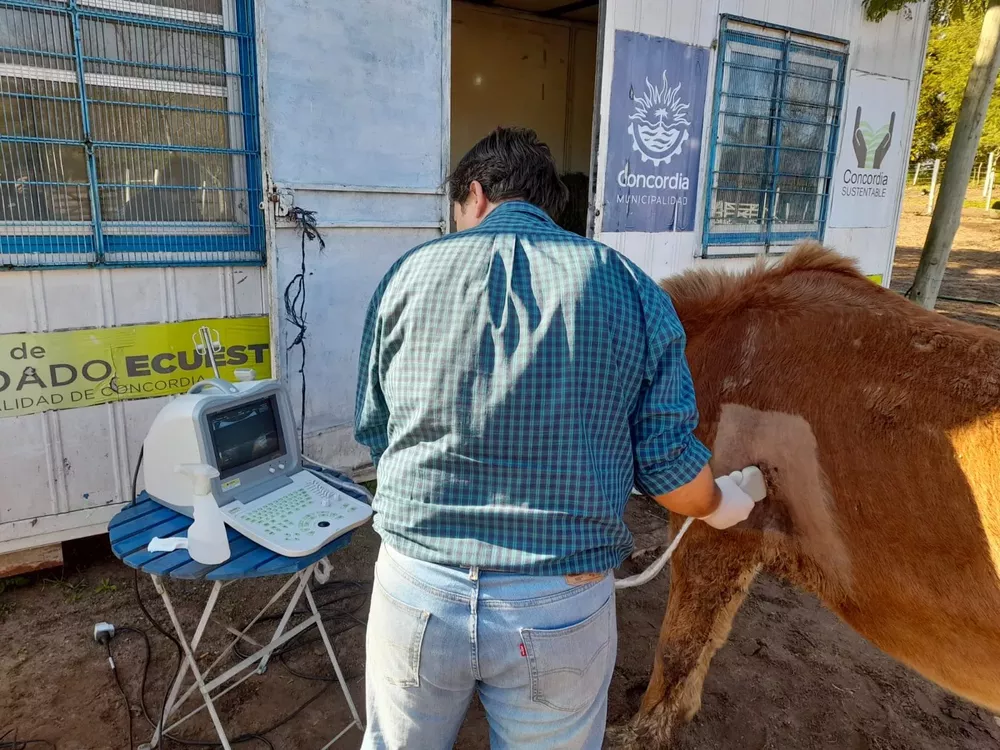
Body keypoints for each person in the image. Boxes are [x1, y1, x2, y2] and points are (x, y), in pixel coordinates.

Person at [354, 126, 757, 749]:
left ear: (476, 195)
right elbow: (674, 477)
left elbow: (379, 436)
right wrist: (726, 504)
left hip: (417, 588)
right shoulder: (629, 288)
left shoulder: (407, 275)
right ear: (551, 206)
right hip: (558, 605)